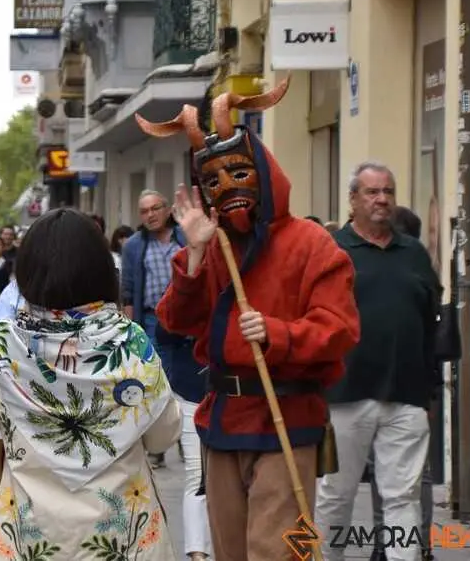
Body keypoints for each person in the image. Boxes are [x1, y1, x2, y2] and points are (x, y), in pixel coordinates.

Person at [139, 79, 362, 560]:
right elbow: (176, 320)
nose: (226, 189)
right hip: (222, 421)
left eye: (237, 173)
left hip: (287, 420)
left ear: (261, 171)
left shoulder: (311, 243)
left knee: (279, 551)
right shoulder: (212, 244)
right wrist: (194, 253)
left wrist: (278, 333)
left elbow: (339, 328)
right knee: (230, 551)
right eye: (213, 182)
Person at [0, 208, 181, 560]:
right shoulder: (128, 340)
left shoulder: (3, 343)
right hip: (122, 536)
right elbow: (163, 435)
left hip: (29, 538)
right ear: (102, 269)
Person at [316, 165, 440, 561]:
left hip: (406, 395)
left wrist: (431, 391)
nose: (382, 199)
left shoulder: (414, 253)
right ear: (353, 199)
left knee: (402, 498)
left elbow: (430, 324)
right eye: (372, 192)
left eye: (388, 190)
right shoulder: (331, 250)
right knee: (336, 496)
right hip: (344, 395)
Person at [122, 190, 209, 557]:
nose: (150, 215)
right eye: (144, 210)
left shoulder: (184, 238)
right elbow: (128, 289)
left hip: (191, 334)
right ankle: (162, 436)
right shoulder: (133, 247)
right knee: (157, 384)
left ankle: (172, 431)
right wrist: (127, 335)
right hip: (151, 322)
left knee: (178, 384)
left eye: (156, 208)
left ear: (167, 211)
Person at [365, 205, 436, 561]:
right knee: (407, 480)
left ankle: (391, 544)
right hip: (407, 390)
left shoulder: (407, 271)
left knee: (395, 479)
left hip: (394, 390)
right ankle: (412, 545)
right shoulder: (416, 272)